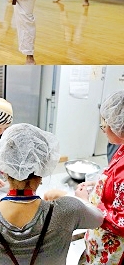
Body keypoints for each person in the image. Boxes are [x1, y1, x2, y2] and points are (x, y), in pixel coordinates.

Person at [0, 123, 104, 265]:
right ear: (44, 167)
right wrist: (79, 199)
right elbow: (99, 219)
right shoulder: (68, 209)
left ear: (3, 169)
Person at [48, 90, 124, 264]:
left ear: (119, 126)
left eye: (105, 124)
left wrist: (86, 202)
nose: (103, 129)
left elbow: (121, 222)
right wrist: (101, 184)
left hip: (114, 252)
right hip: (98, 241)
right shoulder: (121, 146)